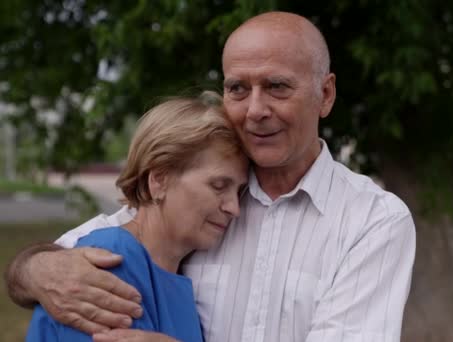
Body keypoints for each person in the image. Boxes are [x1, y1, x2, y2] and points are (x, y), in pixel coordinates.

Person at [6, 11, 416, 342]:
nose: (255, 109)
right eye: (238, 88)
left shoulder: (372, 220)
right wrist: (37, 269)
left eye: (276, 86)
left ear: (324, 95)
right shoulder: (197, 198)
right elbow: (105, 243)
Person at [24, 91, 248, 341]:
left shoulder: (179, 278)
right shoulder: (109, 258)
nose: (234, 207)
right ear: (159, 180)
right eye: (218, 185)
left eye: (239, 190)